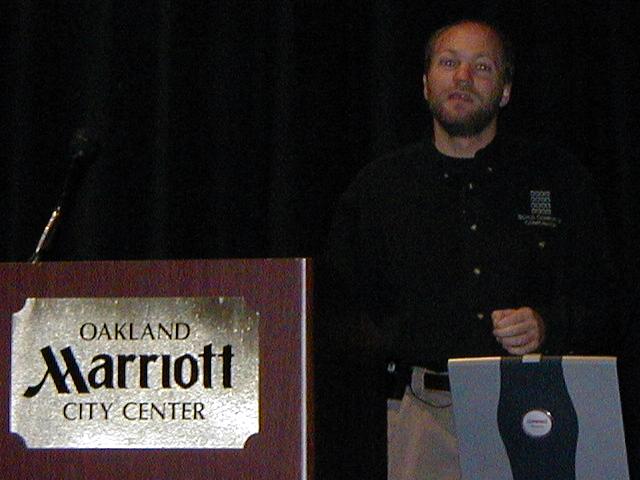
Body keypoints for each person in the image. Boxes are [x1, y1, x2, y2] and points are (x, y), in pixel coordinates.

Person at [321, 18, 614, 479]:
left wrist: (547, 324)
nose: (462, 78)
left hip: (537, 408)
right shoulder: (379, 189)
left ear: (505, 90)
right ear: (425, 84)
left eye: (481, 66)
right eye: (448, 63)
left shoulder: (556, 179)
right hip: (421, 416)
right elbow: (336, 310)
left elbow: (608, 298)